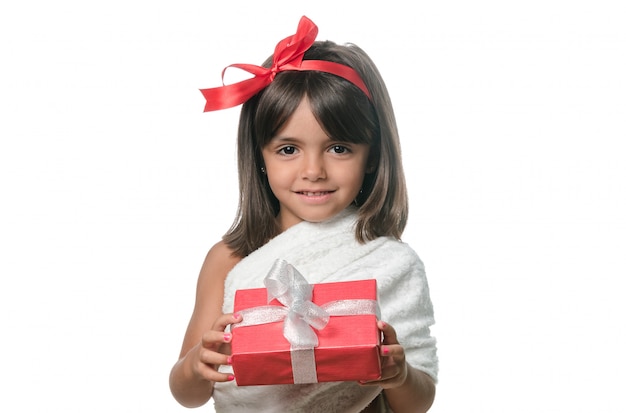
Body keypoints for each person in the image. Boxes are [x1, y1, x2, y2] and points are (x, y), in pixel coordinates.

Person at [169, 16, 438, 413]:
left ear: (372, 157)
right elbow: (187, 394)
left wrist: (399, 375)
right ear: (259, 155)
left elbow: (419, 401)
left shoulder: (392, 262)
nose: (313, 171)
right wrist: (195, 366)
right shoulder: (228, 258)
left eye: (339, 148)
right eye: (288, 149)